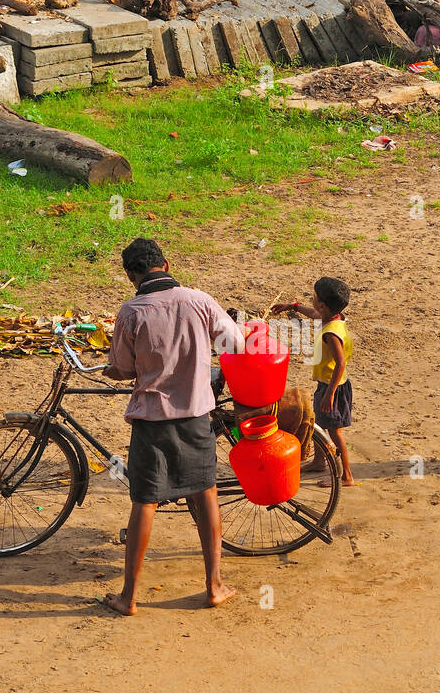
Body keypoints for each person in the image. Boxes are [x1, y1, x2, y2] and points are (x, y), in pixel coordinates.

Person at [101, 238, 242, 616]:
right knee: (205, 493)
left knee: (144, 501)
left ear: (132, 276)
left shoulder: (131, 312)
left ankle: (128, 597)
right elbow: (236, 343)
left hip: (151, 422)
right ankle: (214, 586)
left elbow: (124, 368)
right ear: (166, 263)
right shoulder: (199, 300)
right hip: (195, 415)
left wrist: (113, 368)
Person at [271, 277, 356, 487]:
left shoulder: (331, 334)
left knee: (335, 431)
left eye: (314, 297)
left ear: (323, 304)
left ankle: (346, 475)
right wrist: (292, 306)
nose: (313, 300)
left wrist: (330, 394)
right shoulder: (333, 318)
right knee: (318, 424)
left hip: (332, 387)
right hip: (326, 384)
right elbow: (314, 313)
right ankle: (319, 462)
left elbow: (341, 363)